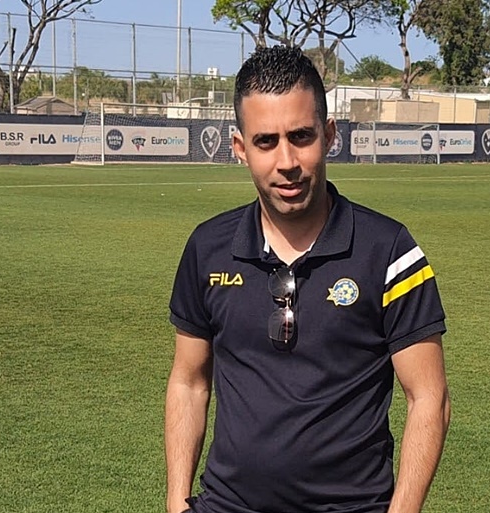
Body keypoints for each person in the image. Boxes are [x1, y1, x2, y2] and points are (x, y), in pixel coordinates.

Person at [165, 45, 450, 513]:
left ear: (329, 134)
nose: (287, 161)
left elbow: (428, 397)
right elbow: (189, 383)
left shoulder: (389, 251)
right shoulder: (207, 247)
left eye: (301, 136)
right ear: (240, 148)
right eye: (265, 142)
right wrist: (177, 503)